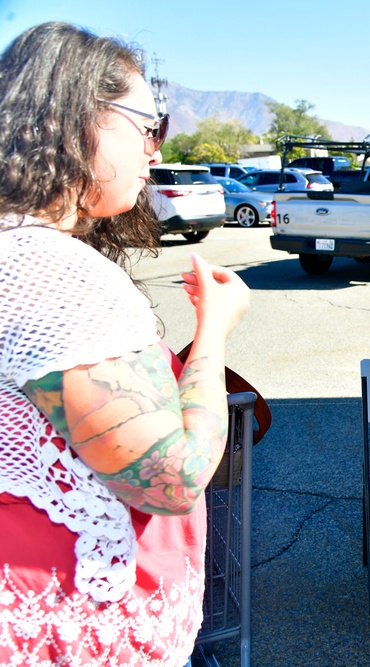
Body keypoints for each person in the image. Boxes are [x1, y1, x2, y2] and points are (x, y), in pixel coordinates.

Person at [0, 22, 250, 665]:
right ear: (79, 120)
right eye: (148, 125)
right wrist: (214, 334)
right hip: (68, 628)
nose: (156, 151)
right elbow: (173, 479)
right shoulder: (51, 273)